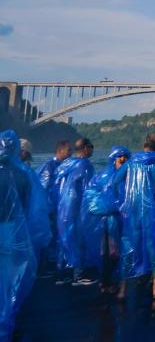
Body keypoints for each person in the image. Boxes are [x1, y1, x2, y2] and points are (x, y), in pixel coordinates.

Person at [113, 133, 155, 299]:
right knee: (153, 246)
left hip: (133, 210)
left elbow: (115, 180)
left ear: (145, 145)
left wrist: (121, 202)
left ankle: (122, 289)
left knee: (129, 246)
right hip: (153, 211)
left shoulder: (131, 162)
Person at [0, 130, 38, 342]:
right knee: (7, 285)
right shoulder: (23, 174)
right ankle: (5, 328)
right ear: (16, 149)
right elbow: (27, 210)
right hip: (11, 232)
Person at [80, 145, 128, 294]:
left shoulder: (105, 175)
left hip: (112, 219)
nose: (124, 162)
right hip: (109, 219)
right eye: (121, 159)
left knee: (110, 252)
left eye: (126, 159)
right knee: (110, 252)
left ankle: (106, 282)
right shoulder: (111, 176)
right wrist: (110, 207)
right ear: (114, 159)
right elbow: (91, 197)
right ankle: (107, 282)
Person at [55, 137, 96, 285]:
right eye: (91, 146)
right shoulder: (86, 166)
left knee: (64, 240)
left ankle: (61, 275)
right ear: (85, 148)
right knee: (79, 241)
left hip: (62, 209)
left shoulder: (66, 164)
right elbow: (88, 191)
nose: (92, 149)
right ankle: (78, 276)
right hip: (76, 209)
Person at [36, 140, 70, 277]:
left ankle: (53, 264)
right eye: (68, 150)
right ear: (60, 150)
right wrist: (48, 209)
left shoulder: (62, 166)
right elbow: (44, 189)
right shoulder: (49, 166)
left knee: (55, 236)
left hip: (58, 209)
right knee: (48, 237)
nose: (71, 153)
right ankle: (44, 268)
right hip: (50, 209)